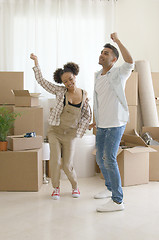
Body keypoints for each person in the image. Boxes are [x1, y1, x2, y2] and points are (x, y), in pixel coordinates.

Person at [30, 53, 92, 200]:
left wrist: (86, 126)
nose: (69, 83)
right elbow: (41, 81)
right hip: (55, 132)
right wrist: (36, 62)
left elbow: (85, 115)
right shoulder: (60, 92)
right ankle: (56, 188)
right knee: (56, 161)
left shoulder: (84, 94)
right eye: (65, 81)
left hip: (70, 133)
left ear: (75, 76)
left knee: (67, 164)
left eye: (70, 79)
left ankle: (75, 187)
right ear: (62, 83)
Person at [90, 32, 134, 212]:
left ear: (114, 59)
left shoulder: (120, 73)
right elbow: (98, 101)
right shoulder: (97, 75)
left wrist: (118, 41)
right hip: (102, 124)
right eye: (102, 52)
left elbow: (130, 61)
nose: (102, 54)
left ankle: (118, 201)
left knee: (109, 159)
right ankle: (109, 190)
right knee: (101, 159)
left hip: (116, 123)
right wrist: (95, 120)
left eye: (106, 53)